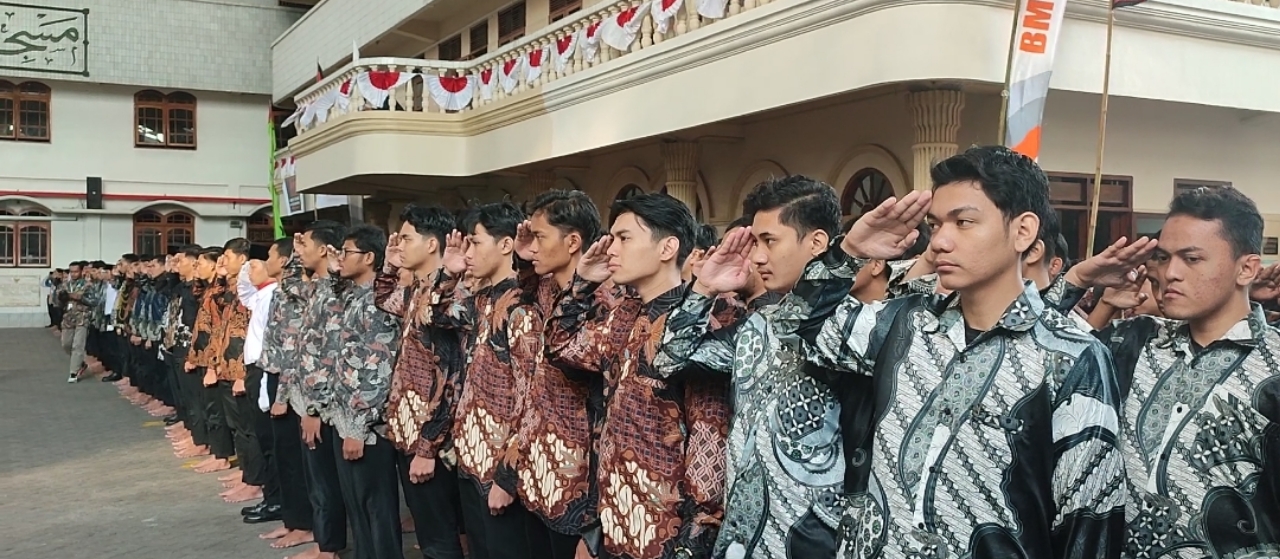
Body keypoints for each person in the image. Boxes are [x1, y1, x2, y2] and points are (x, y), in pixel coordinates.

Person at [781, 146, 1133, 559]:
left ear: (1023, 232)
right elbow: (797, 325)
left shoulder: (1070, 356)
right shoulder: (905, 323)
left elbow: (1088, 519)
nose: (941, 240)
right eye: (936, 224)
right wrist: (850, 253)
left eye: (964, 222)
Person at [1065, 185, 1280, 558]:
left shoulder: (1273, 364)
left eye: (1191, 259)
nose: (1170, 273)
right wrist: (1081, 282)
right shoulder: (1135, 342)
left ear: (1246, 268)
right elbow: (1033, 358)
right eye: (1162, 258)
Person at [653, 175, 845, 559]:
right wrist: (703, 289)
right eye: (755, 242)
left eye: (769, 241)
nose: (757, 257)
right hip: (744, 534)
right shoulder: (758, 325)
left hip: (814, 540)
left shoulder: (852, 328)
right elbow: (668, 359)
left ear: (817, 243)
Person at [545, 193, 730, 559]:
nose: (611, 248)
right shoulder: (624, 315)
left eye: (624, 238)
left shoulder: (695, 325)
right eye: (611, 237)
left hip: (664, 536)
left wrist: (691, 547)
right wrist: (581, 284)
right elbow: (559, 347)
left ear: (667, 248)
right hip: (613, 523)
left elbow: (709, 444)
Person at [434, 202, 543, 559]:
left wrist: (507, 475)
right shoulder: (482, 300)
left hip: (499, 464)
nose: (468, 253)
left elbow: (530, 398)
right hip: (471, 455)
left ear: (506, 245)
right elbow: (434, 318)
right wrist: (449, 274)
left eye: (475, 243)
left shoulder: (521, 307)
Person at [508, 190, 606, 559]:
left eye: (540, 237)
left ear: (573, 242)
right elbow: (522, 295)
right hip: (538, 469)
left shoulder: (603, 302)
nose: (532, 247)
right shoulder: (546, 289)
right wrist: (522, 258)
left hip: (577, 480)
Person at [375, 204, 467, 559]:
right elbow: (385, 299)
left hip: (432, 437)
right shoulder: (418, 291)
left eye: (407, 239)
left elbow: (450, 375)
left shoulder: (445, 297)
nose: (401, 246)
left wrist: (427, 448)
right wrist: (389, 264)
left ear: (432, 245)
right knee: (432, 533)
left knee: (441, 537)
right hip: (409, 429)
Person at [271, 220, 349, 559]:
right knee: (317, 477)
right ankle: (325, 542)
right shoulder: (315, 287)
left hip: (325, 402)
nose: (299, 253)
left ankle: (329, 546)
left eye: (305, 247)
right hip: (308, 397)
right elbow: (288, 286)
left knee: (325, 480)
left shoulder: (333, 290)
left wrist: (315, 409)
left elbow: (328, 353)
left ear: (324, 250)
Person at [329, 224, 403, 559]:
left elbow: (379, 371)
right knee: (358, 506)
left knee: (377, 509)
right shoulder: (353, 295)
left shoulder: (377, 302)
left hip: (368, 427)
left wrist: (358, 427)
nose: (340, 259)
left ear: (370, 257)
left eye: (346, 252)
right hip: (346, 419)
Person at [60, 260, 97, 383]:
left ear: (81, 271)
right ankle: (80, 363)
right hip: (68, 317)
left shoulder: (88, 285)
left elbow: (94, 301)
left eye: (76, 271)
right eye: (71, 272)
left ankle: (73, 372)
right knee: (66, 343)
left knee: (78, 345)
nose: (74, 274)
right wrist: (61, 298)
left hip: (82, 317)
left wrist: (80, 297)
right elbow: (58, 300)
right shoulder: (65, 285)